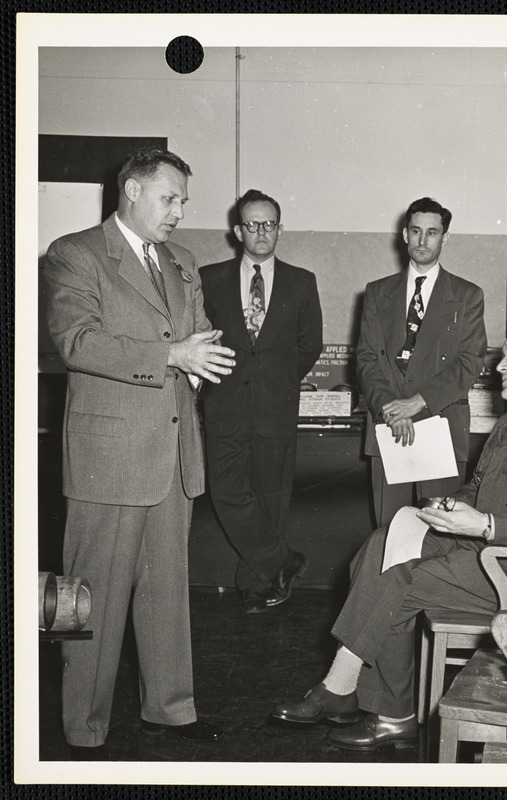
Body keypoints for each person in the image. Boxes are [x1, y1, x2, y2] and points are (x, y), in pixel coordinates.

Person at [271, 324, 507, 751]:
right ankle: (363, 700)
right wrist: (447, 507)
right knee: (381, 545)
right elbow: (480, 488)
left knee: (398, 582)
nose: (499, 366)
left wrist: (486, 525)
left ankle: (361, 696)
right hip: (478, 550)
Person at [44, 147, 236, 757]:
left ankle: (171, 711)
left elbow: (195, 329)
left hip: (174, 455)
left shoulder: (181, 260)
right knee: (91, 598)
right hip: (109, 458)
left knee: (166, 595)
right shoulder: (76, 254)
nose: (180, 211)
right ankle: (83, 727)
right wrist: (174, 356)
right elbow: (77, 342)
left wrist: (202, 354)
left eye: (183, 199)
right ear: (131, 190)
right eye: (170, 198)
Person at [199, 190, 323, 613]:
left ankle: (257, 586)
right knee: (228, 493)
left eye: (269, 224)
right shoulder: (209, 277)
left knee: (271, 499)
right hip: (224, 406)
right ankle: (283, 561)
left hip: (276, 407)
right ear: (238, 231)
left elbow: (311, 345)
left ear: (280, 229)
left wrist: (280, 382)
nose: (261, 232)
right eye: (252, 224)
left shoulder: (301, 281)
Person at [356, 197, 487, 527]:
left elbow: (469, 362)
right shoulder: (376, 293)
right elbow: (367, 359)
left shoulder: (467, 295)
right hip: (388, 425)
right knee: (390, 530)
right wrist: (390, 408)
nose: (422, 240)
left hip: (439, 424)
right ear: (404, 235)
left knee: (441, 533)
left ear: (445, 237)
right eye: (416, 231)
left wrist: (416, 404)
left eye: (432, 232)